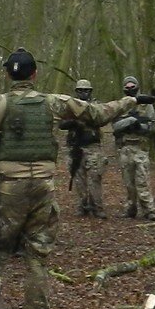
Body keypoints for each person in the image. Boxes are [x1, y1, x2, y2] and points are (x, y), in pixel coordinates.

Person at [0, 48, 137, 309]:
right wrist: (129, 101)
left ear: (8, 75)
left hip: (7, 189)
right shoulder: (53, 103)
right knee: (37, 256)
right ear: (34, 75)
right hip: (44, 187)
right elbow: (97, 114)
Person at [112, 75, 155, 220]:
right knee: (129, 183)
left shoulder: (146, 105)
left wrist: (140, 126)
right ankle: (131, 209)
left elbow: (154, 126)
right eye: (127, 87)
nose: (130, 89)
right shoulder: (120, 105)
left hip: (141, 148)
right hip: (125, 148)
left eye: (133, 87)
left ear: (137, 87)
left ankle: (149, 210)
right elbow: (114, 126)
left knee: (142, 181)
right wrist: (129, 122)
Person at [65, 80, 107, 217]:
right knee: (79, 179)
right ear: (76, 92)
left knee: (95, 177)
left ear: (90, 91)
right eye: (81, 90)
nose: (84, 93)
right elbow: (61, 123)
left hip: (93, 147)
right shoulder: (70, 106)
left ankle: (97, 207)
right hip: (75, 147)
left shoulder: (96, 106)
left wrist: (85, 119)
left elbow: (101, 118)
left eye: (86, 90)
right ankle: (82, 205)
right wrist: (73, 122)